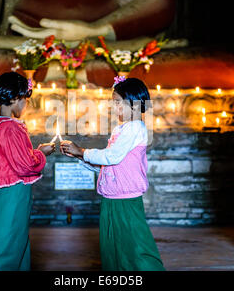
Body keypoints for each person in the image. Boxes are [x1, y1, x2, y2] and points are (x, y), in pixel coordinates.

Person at [60, 76, 165, 271]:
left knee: (136, 246)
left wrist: (82, 151)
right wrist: (80, 157)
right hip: (113, 196)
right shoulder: (122, 129)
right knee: (113, 246)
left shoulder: (134, 128)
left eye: (118, 103)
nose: (114, 107)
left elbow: (112, 157)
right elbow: (110, 165)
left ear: (134, 105)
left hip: (125, 199)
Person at [0, 71, 55, 271]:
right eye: (25, 100)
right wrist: (41, 154)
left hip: (6, 191)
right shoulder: (11, 128)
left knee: (14, 235)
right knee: (9, 238)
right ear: (15, 99)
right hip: (14, 191)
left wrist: (33, 152)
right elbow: (25, 165)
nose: (26, 105)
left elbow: (14, 158)